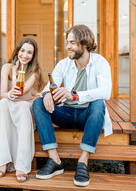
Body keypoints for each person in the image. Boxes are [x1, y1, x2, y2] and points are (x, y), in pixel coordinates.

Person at [32, 24, 112, 187]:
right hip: (66, 113)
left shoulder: (100, 62)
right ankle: (54, 160)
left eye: (72, 43)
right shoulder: (64, 64)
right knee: (38, 102)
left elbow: (106, 92)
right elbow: (48, 88)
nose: (68, 46)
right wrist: (47, 94)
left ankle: (83, 162)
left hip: (87, 115)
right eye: (67, 42)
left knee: (98, 103)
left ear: (84, 43)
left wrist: (74, 95)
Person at [0, 38, 43, 182]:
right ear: (17, 51)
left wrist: (19, 74)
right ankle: (2, 161)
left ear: (33, 56)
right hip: (9, 102)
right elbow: (3, 93)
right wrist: (8, 94)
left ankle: (22, 165)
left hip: (25, 104)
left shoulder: (35, 72)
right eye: (22, 50)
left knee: (22, 106)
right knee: (3, 103)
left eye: (29, 52)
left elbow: (21, 92)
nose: (25, 55)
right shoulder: (7, 68)